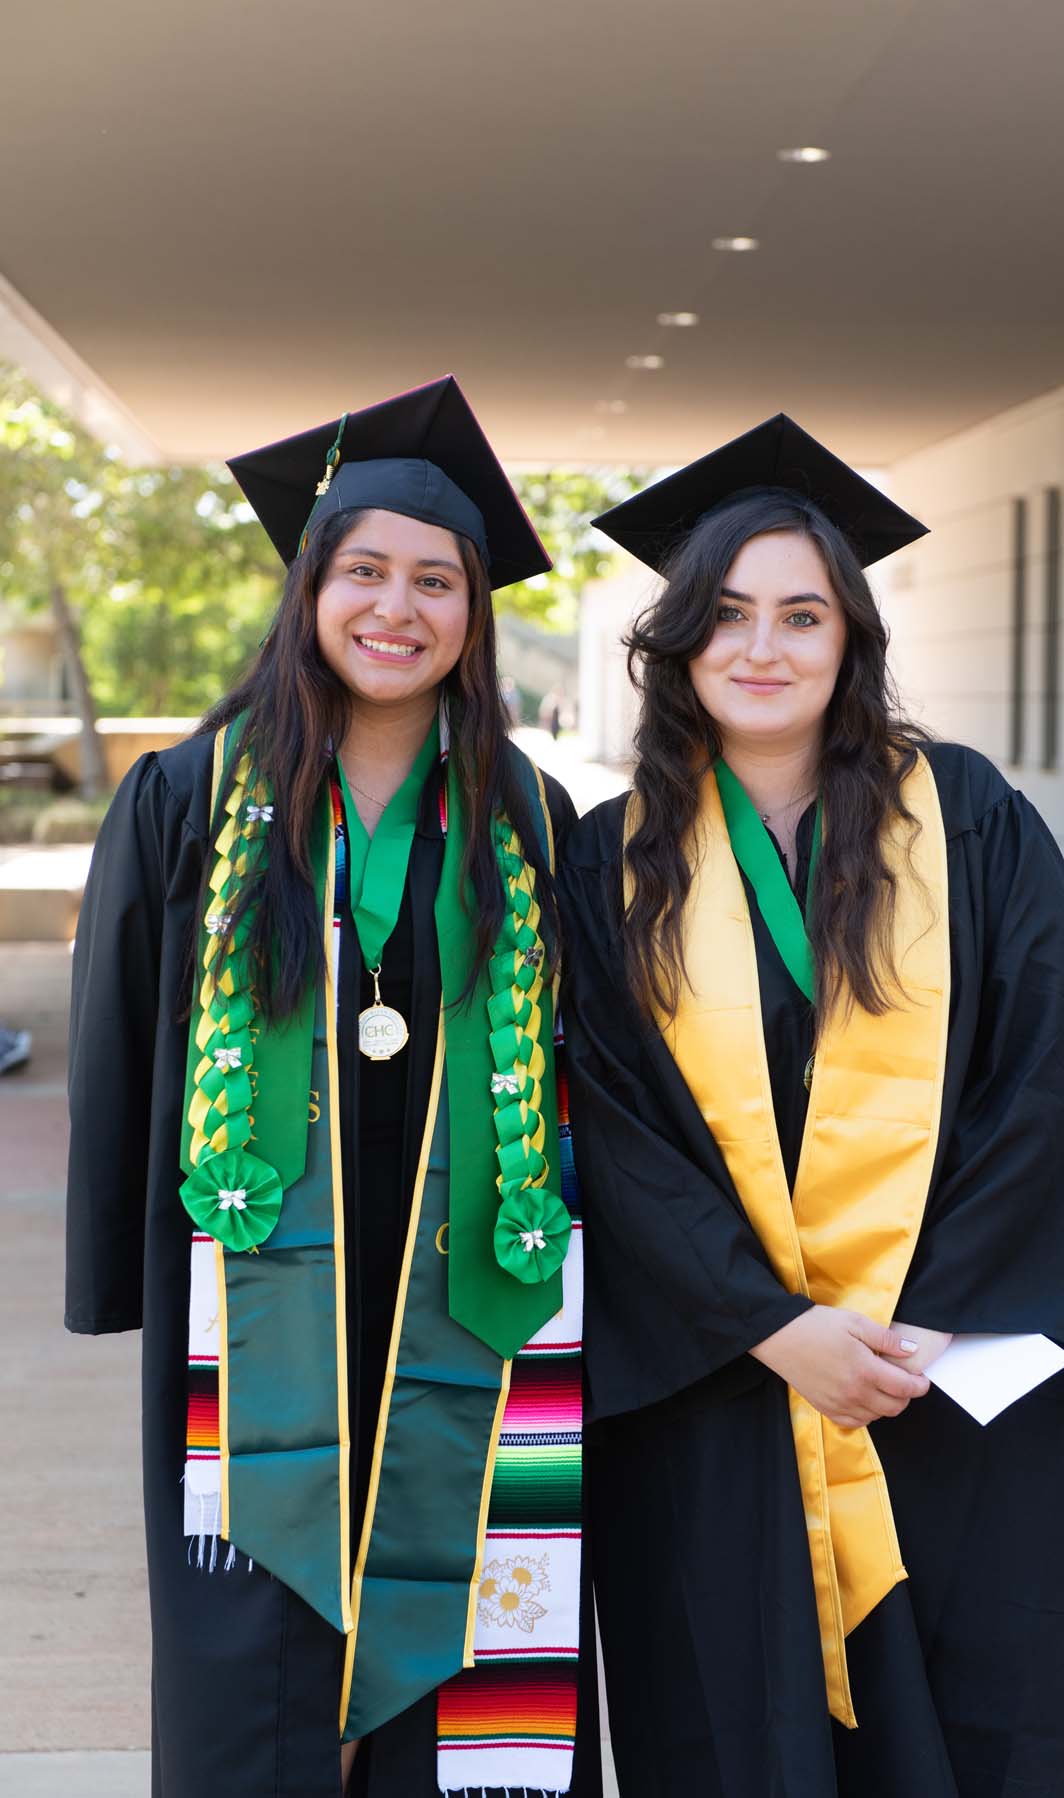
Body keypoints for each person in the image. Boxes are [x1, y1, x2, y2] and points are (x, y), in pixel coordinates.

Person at [561, 414, 1064, 1798]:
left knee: (973, 1714)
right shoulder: (612, 859)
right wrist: (772, 1326)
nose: (762, 648)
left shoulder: (970, 815)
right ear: (679, 641)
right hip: (722, 1377)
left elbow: (1049, 1077)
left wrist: (914, 1320)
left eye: (801, 615)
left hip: (943, 1376)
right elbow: (609, 1116)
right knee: (730, 1720)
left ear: (851, 640)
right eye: (728, 615)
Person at [65, 377, 597, 1798]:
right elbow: (118, 1031)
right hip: (256, 1284)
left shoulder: (532, 814)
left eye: (437, 580)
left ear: (474, 615)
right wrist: (121, 1264)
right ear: (309, 588)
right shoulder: (192, 795)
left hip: (465, 1275)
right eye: (364, 570)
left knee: (475, 1623)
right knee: (257, 1655)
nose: (397, 608)